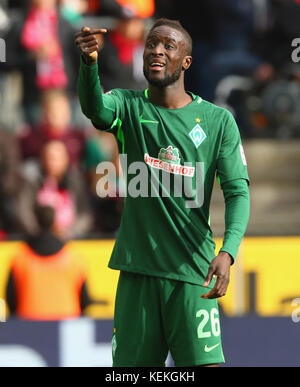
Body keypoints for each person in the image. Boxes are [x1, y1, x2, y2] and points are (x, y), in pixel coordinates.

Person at [75, 18, 250, 367]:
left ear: (185, 61)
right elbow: (94, 109)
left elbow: (237, 193)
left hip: (192, 274)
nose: (157, 50)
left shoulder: (217, 121)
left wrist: (228, 252)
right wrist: (89, 64)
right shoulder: (128, 105)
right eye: (152, 44)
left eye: (168, 46)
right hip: (138, 274)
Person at [5, 205, 101, 320]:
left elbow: (10, 299)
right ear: (54, 222)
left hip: (29, 327)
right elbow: (84, 300)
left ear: (35, 221)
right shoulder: (73, 258)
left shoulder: (20, 258)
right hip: (67, 324)